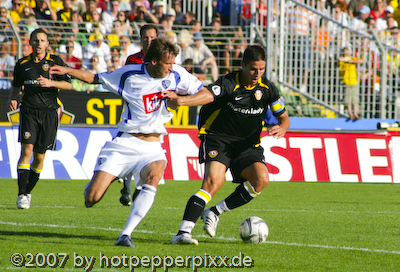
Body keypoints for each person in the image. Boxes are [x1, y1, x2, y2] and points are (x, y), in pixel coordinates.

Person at [49, 37, 214, 247]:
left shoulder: (178, 74)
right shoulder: (129, 74)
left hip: (153, 146)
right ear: (153, 61)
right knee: (92, 198)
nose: (172, 67)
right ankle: (103, 181)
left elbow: (207, 95)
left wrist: (181, 100)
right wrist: (68, 70)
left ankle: (125, 235)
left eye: (174, 62)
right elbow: (94, 78)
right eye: (168, 63)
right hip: (125, 142)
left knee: (154, 177)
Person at [170, 45, 290, 245]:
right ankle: (183, 233)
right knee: (212, 183)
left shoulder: (268, 89)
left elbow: (283, 117)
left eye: (261, 69)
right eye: (253, 69)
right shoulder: (227, 83)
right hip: (219, 138)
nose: (257, 74)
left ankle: (215, 212)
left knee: (261, 179)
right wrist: (182, 101)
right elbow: (208, 95)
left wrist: (283, 127)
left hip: (247, 145)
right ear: (242, 65)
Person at [7, 28, 72, 209]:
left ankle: (28, 191)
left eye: (42, 40)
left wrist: (51, 83)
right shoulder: (22, 64)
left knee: (40, 157)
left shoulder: (55, 62)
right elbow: (16, 85)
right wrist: (13, 98)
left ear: (47, 44)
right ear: (30, 42)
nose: (38, 44)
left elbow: (68, 84)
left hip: (49, 113)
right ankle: (21, 194)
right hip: (28, 111)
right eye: (35, 40)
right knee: (26, 151)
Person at [338, 47, 363, 120]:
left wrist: (351, 60)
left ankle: (355, 113)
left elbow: (361, 61)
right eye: (345, 54)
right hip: (346, 81)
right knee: (347, 98)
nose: (346, 55)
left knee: (355, 98)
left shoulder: (352, 59)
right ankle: (350, 113)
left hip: (354, 81)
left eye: (347, 53)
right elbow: (340, 59)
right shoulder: (343, 60)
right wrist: (348, 60)